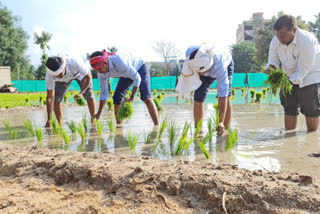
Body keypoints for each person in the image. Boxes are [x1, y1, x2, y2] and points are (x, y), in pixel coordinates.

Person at [265, 15, 320, 132]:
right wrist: (271, 67)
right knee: (289, 106)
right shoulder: (276, 40)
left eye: (283, 36)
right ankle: (289, 137)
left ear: (294, 30)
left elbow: (303, 70)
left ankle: (311, 139)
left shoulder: (307, 41)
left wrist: (289, 81)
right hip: (288, 75)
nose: (280, 39)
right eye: (277, 35)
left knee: (310, 107)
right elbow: (273, 61)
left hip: (310, 74)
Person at [176, 44, 234, 136]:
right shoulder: (190, 54)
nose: (202, 74)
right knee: (198, 98)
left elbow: (223, 95)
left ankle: (225, 130)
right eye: (200, 72)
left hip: (226, 64)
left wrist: (220, 122)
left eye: (203, 71)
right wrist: (199, 72)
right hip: (200, 67)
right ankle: (198, 132)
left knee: (227, 96)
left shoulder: (220, 65)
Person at [89, 50, 159, 125]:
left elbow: (137, 78)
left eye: (99, 69)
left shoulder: (119, 62)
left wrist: (132, 97)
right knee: (117, 98)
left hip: (139, 67)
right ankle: (119, 126)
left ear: (105, 63)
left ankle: (157, 125)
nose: (99, 72)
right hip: (125, 73)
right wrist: (99, 112)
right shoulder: (100, 73)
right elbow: (104, 93)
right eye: (96, 70)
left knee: (146, 97)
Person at [45, 55, 96, 127]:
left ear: (63, 67)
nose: (58, 76)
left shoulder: (74, 62)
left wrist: (82, 92)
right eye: (55, 75)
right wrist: (49, 119)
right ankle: (60, 124)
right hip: (62, 81)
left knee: (89, 94)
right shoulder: (49, 75)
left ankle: (93, 120)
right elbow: (50, 98)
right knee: (57, 99)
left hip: (79, 74)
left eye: (60, 74)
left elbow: (88, 77)